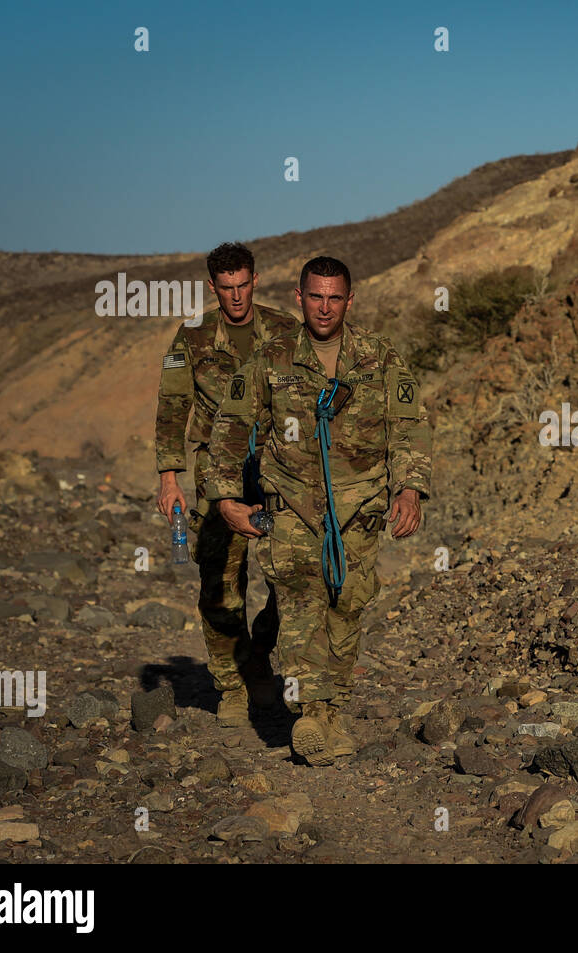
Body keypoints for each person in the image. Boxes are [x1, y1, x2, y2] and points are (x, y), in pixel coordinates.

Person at [205, 255, 431, 765]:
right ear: (298, 298)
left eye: (334, 298)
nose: (324, 307)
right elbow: (230, 425)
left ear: (349, 301)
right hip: (290, 509)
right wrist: (225, 499)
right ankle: (312, 709)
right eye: (315, 296)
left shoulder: (379, 356)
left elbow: (410, 423)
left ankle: (333, 710)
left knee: (347, 605)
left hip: (359, 509)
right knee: (301, 603)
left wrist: (410, 489)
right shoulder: (271, 358)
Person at [154, 242, 298, 727]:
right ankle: (231, 685)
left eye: (243, 286)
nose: (236, 297)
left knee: (293, 573)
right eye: (226, 288)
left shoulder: (285, 330)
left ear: (255, 281)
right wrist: (168, 477)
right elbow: (173, 406)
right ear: (213, 287)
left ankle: (259, 655)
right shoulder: (191, 337)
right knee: (221, 580)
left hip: (278, 465)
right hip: (218, 468)